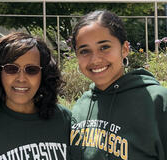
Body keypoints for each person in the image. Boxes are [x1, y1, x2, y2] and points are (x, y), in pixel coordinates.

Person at [0, 32, 72, 160]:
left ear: (43, 74)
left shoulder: (64, 120)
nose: (21, 78)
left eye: (31, 70)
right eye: (11, 69)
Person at [70, 10, 167, 160]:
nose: (95, 60)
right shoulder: (80, 108)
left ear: (124, 49)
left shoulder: (158, 101)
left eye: (104, 47)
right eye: (84, 51)